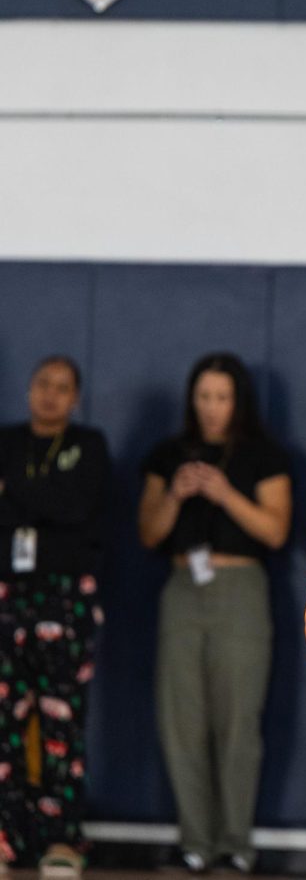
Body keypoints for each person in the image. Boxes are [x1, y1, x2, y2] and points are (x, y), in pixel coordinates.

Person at [137, 352, 292, 876]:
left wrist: (225, 494)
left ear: (238, 401)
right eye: (203, 397)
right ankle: (194, 841)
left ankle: (236, 843)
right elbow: (150, 533)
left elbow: (275, 531)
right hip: (183, 586)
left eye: (221, 397)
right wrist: (177, 496)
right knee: (181, 719)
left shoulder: (262, 456)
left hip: (241, 587)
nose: (211, 408)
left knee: (237, 720)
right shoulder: (168, 454)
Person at [0, 356, 109, 880]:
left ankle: (62, 837)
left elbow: (78, 507)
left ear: (76, 398)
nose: (50, 395)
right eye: (42, 383)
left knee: (61, 719)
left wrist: (16, 494)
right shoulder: (6, 441)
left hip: (65, 601)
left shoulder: (88, 447)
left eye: (62, 387)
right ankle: (9, 834)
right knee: (6, 719)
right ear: (28, 389)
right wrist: (42, 508)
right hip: (7, 597)